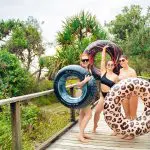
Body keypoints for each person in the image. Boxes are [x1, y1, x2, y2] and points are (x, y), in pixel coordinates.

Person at [93, 45, 118, 133]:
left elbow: (118, 89)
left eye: (112, 65)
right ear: (107, 66)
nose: (110, 65)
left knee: (112, 114)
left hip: (110, 97)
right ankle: (95, 127)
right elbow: (102, 61)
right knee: (97, 112)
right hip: (102, 96)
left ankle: (115, 129)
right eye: (108, 64)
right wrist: (103, 50)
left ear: (114, 66)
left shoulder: (116, 77)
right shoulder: (103, 72)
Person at [76, 53, 93, 142]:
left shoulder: (88, 69)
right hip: (81, 93)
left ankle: (82, 133)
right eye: (83, 60)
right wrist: (84, 81)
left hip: (87, 94)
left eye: (87, 60)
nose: (85, 61)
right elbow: (78, 85)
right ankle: (80, 135)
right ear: (81, 62)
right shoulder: (80, 70)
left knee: (82, 114)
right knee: (89, 114)